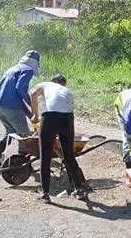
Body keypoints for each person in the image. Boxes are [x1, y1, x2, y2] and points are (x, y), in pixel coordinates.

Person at [30, 74, 88, 204]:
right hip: (67, 119)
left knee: (45, 155)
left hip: (49, 117)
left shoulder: (46, 84)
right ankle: (79, 190)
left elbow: (33, 93)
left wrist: (35, 114)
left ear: (52, 81)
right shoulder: (68, 91)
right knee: (68, 155)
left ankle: (45, 194)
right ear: (64, 84)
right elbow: (69, 111)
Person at [0, 50, 40, 167]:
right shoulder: (28, 70)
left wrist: (30, 114)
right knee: (24, 135)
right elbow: (21, 89)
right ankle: (22, 165)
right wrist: (31, 102)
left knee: (10, 131)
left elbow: (17, 96)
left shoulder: (12, 69)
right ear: (35, 63)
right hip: (11, 108)